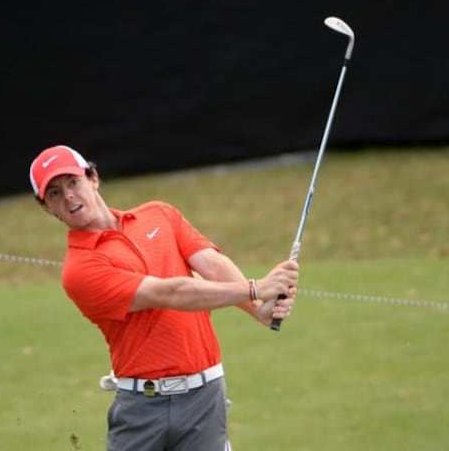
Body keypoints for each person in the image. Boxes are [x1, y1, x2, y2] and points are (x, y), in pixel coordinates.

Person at [29, 144, 298, 451]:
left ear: (93, 178)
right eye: (54, 193)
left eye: (73, 182)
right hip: (142, 410)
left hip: (205, 399)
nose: (68, 196)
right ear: (47, 207)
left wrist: (258, 309)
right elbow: (168, 293)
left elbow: (212, 265)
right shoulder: (80, 269)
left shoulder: (160, 214)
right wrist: (255, 289)